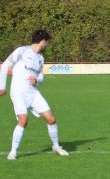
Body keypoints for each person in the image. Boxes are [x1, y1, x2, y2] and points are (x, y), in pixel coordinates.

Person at [0, 30, 69, 160]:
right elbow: (4, 66)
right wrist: (2, 87)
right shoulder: (22, 51)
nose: (47, 45)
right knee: (23, 121)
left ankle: (56, 146)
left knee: (51, 119)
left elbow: (41, 77)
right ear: (42, 41)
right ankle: (13, 152)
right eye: (47, 42)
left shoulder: (41, 58)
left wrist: (37, 80)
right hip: (18, 92)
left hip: (33, 93)